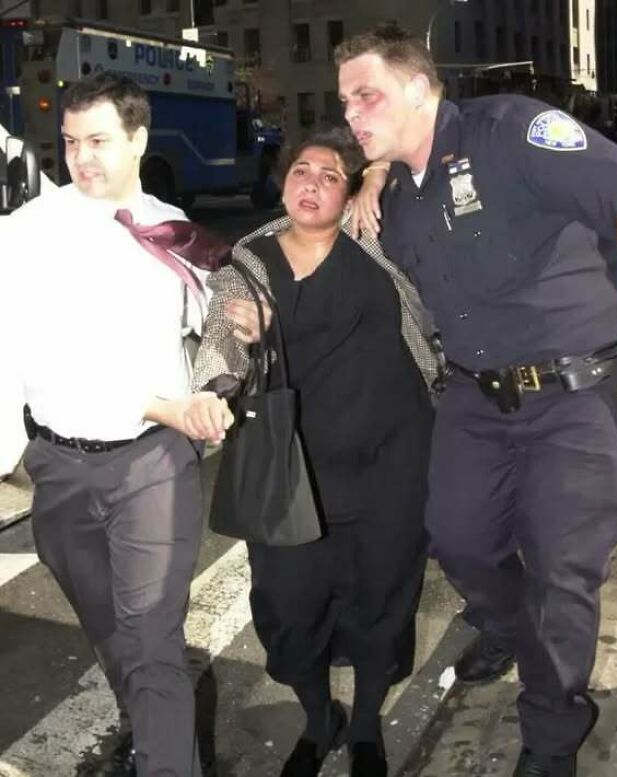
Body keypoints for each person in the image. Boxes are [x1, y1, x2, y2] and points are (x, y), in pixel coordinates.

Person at [336, 25, 617, 777]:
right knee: (456, 539)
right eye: (346, 102)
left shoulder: (513, 130)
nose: (354, 113)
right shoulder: (396, 191)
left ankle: (551, 738)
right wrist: (370, 174)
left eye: (369, 95)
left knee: (562, 570)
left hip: (580, 395)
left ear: (422, 88)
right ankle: (512, 630)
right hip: (476, 400)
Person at [0, 74, 234, 777]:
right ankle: (151, 731)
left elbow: (218, 331)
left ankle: (164, 755)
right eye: (70, 142)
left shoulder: (174, 234)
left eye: (99, 140)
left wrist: (222, 369)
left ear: (137, 137)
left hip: (150, 467)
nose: (82, 158)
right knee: (112, 633)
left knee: (153, 640)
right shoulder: (28, 232)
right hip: (58, 467)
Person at [192, 127, 440, 777]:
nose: (312, 183)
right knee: (289, 607)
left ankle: (363, 727)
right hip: (291, 472)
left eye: (332, 175)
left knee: (382, 598)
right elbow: (221, 338)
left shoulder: (377, 244)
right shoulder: (247, 262)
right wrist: (214, 388)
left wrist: (380, 171)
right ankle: (317, 715)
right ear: (282, 181)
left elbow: (422, 148)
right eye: (302, 170)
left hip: (391, 462)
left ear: (351, 191)